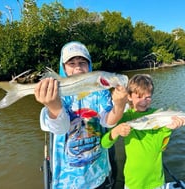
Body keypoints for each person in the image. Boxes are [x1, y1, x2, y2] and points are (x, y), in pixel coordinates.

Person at [34, 41, 128, 189]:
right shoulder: (56, 95)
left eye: (82, 62)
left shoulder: (101, 91)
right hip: (66, 183)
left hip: (99, 176)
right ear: (63, 67)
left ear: (89, 65)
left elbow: (108, 122)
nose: (78, 67)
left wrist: (120, 104)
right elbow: (60, 128)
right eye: (71, 63)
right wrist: (53, 106)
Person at [101, 74, 185, 189]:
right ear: (129, 97)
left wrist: (168, 129)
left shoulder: (157, 115)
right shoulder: (124, 117)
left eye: (148, 97)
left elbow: (161, 147)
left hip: (156, 180)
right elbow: (105, 143)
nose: (143, 101)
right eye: (139, 97)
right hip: (133, 181)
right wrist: (116, 131)